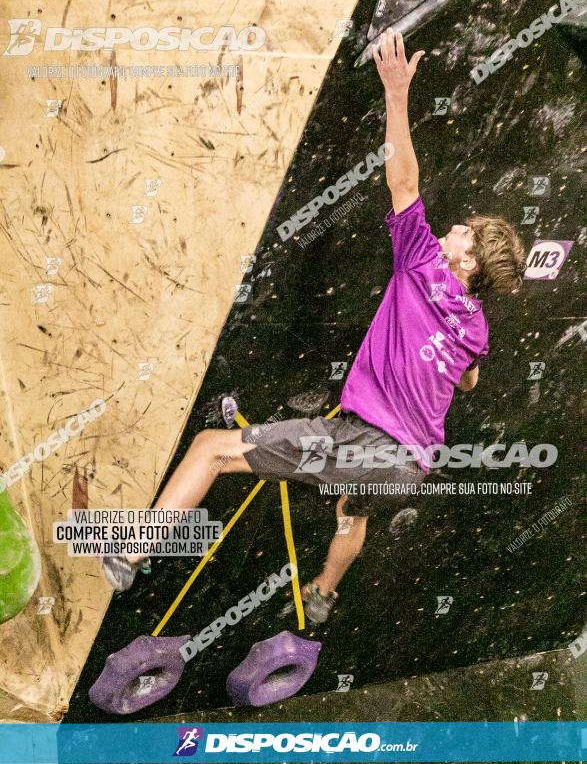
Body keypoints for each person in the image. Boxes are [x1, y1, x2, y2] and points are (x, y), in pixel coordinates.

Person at [102, 31, 526, 625]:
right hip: (409, 472)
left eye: (463, 233)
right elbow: (470, 381)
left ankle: (131, 551)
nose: (453, 229)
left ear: (468, 261)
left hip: (374, 446)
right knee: (352, 512)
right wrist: (445, 369)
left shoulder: (423, 263)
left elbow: (403, 181)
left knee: (212, 450)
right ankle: (324, 593)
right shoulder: (475, 324)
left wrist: (396, 92)